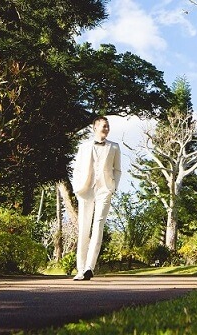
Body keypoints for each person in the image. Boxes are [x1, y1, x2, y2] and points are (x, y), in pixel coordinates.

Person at [70, 116, 122, 281]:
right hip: (85, 190)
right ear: (95, 128)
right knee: (84, 229)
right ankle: (80, 269)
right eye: (104, 126)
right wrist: (77, 188)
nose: (106, 129)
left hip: (104, 190)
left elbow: (117, 170)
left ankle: (89, 268)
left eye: (108, 126)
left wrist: (113, 188)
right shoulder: (84, 147)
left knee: (98, 226)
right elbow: (77, 169)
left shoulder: (114, 147)